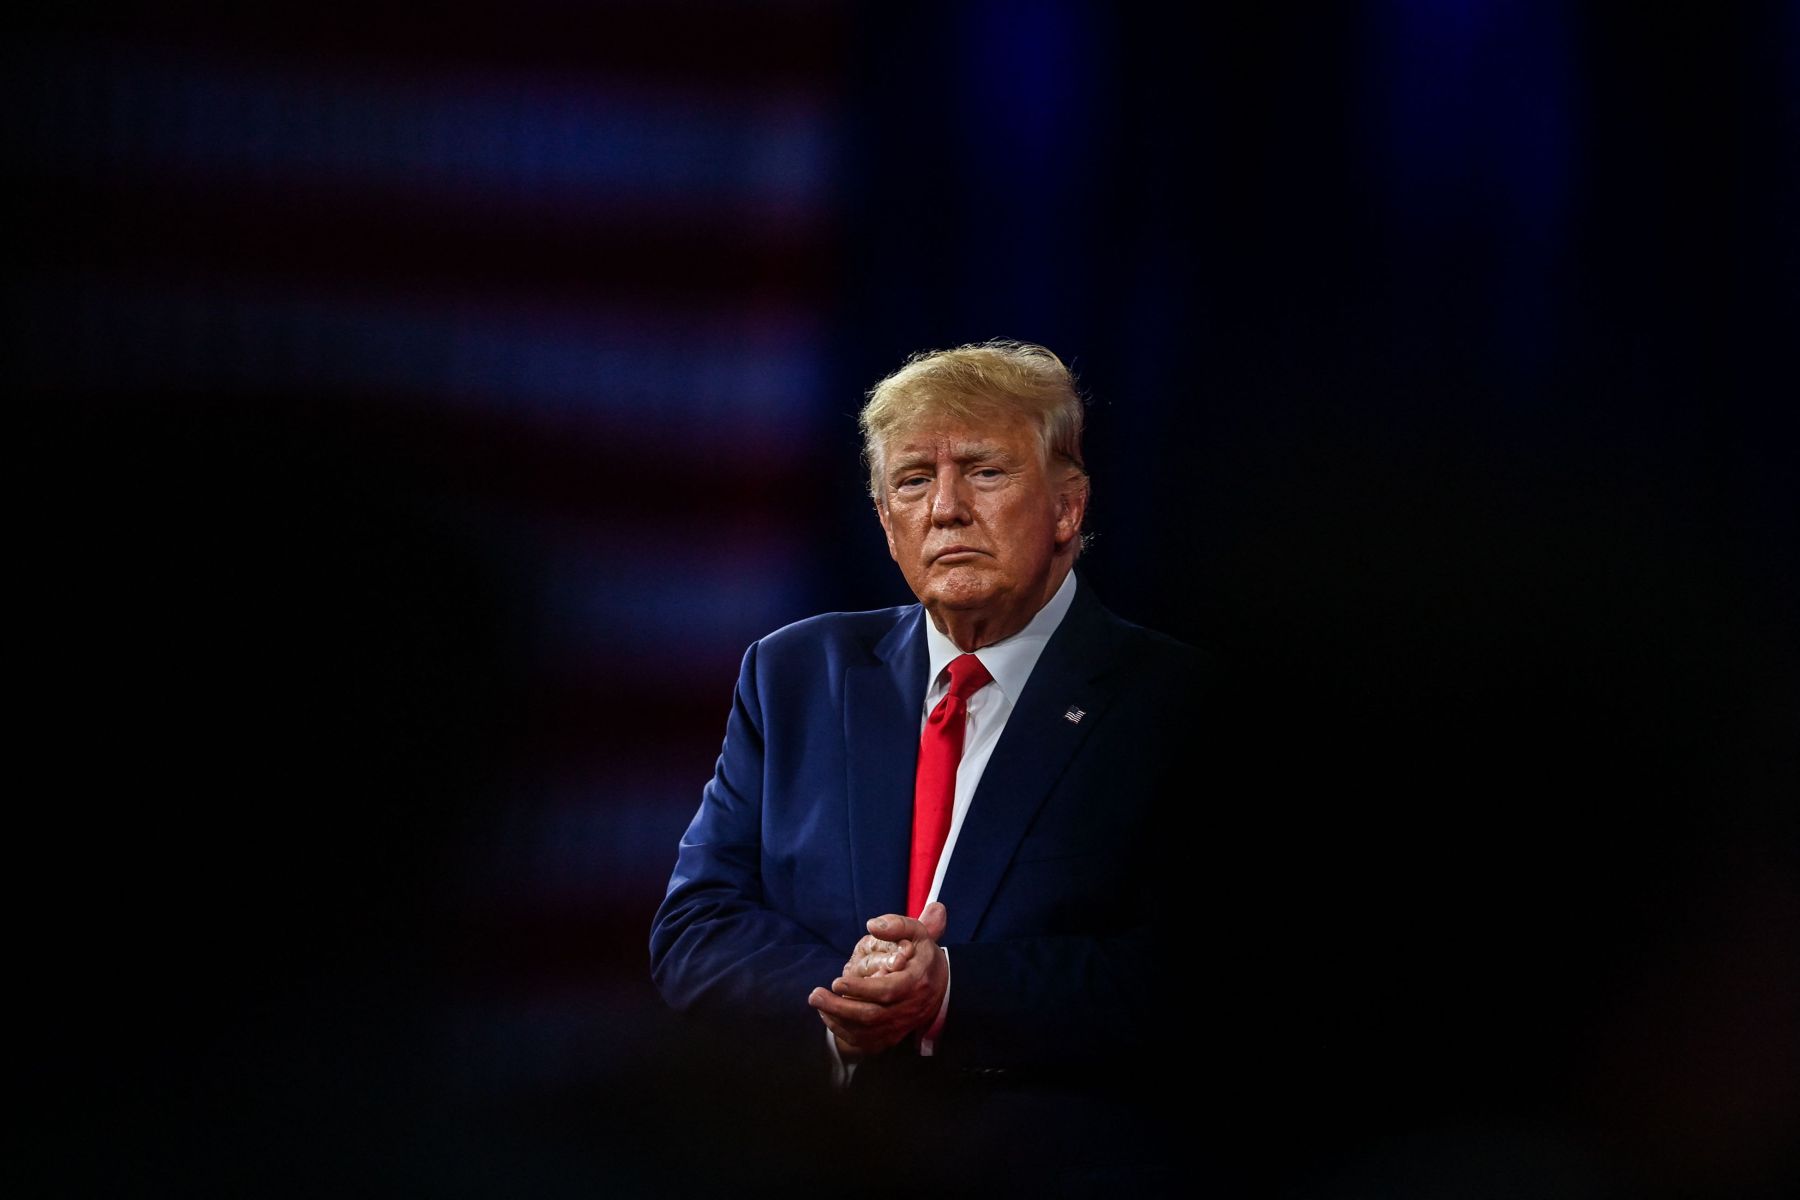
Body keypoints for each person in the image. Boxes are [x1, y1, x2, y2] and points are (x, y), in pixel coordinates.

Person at [649, 341, 1210, 1185]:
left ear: (1067, 506)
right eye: (913, 481)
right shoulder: (794, 672)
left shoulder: (1176, 705)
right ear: (886, 522)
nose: (945, 508)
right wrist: (845, 998)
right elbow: (696, 929)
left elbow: (1197, 975)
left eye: (983, 471)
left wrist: (950, 988)